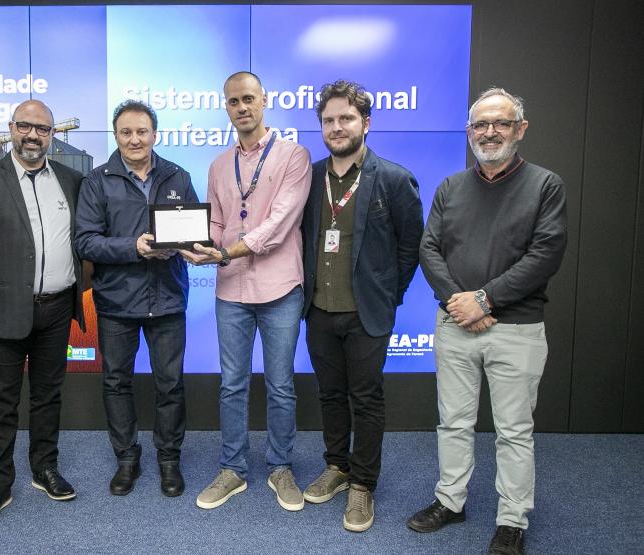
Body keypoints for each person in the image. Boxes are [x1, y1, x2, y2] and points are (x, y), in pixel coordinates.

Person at [407, 88, 567, 555]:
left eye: (501, 123)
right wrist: (461, 303)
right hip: (455, 325)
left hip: (516, 329)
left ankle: (512, 520)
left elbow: (545, 254)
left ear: (520, 129)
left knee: (514, 431)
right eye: (480, 124)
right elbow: (428, 248)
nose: (490, 132)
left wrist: (485, 300)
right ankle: (450, 501)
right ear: (469, 132)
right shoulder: (451, 187)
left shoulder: (545, 185)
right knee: (453, 423)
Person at [182, 72, 312, 512]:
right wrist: (199, 245)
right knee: (232, 385)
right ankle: (232, 468)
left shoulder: (294, 156)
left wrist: (223, 253)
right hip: (231, 291)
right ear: (226, 107)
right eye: (234, 101)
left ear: (264, 101)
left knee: (281, 386)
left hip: (280, 289)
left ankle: (281, 467)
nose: (242, 107)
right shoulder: (219, 165)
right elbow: (217, 222)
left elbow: (279, 225)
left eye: (249, 99)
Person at [0, 100, 85, 527]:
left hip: (57, 307)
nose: (33, 135)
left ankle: (45, 469)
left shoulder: (70, 179)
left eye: (42, 129)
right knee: (1, 401)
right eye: (25, 126)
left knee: (48, 395)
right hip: (2, 311)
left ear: (52, 135)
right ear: (11, 128)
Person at [300, 80, 423, 532]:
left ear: (366, 123)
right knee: (330, 394)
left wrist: (389, 295)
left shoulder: (393, 178)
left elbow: (411, 247)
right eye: (328, 120)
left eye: (346, 118)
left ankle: (362, 484)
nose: (337, 127)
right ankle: (337, 466)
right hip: (318, 308)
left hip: (367, 313)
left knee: (366, 399)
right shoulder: (309, 177)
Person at [75, 100, 197, 497]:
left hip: (168, 299)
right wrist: (135, 247)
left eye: (142, 131)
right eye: (126, 132)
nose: (134, 139)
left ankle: (169, 459)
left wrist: (185, 245)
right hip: (116, 302)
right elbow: (85, 241)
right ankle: (127, 458)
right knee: (116, 382)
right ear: (116, 136)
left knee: (170, 384)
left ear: (154, 134)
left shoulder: (178, 176)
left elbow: (195, 231)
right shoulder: (97, 181)